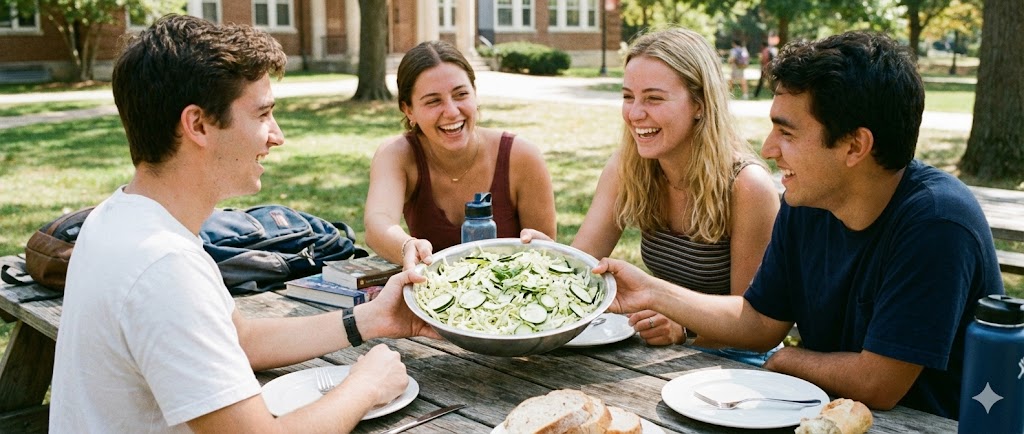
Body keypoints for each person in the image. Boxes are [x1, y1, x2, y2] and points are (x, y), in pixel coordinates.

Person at [49, 15, 439, 433]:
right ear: (197, 125)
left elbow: (242, 339)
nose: (277, 135)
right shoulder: (162, 267)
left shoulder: (120, 218)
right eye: (263, 114)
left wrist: (375, 317)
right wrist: (365, 385)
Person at [594, 31, 1004, 419]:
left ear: (854, 146)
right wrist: (651, 292)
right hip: (829, 415)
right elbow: (759, 322)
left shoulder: (937, 222)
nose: (769, 149)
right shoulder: (807, 198)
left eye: (786, 132)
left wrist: (787, 359)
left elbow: (879, 384)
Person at [522, 27, 780, 363]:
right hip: (669, 355)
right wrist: (549, 263)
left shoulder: (747, 186)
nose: (635, 113)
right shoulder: (627, 168)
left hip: (739, 361)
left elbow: (752, 325)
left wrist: (683, 329)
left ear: (699, 104)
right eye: (628, 96)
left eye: (654, 98)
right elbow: (580, 267)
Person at [364, 40, 557, 269]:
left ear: (474, 94)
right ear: (408, 110)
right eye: (433, 101)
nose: (452, 111)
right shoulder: (397, 155)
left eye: (461, 94)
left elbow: (547, 255)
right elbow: (378, 223)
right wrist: (406, 246)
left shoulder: (522, 156)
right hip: (432, 298)